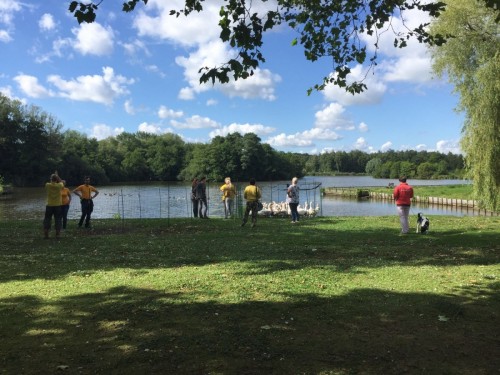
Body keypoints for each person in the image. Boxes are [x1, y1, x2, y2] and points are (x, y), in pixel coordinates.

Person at [43, 173, 64, 239]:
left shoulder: (47, 185)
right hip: (57, 205)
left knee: (47, 219)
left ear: (51, 179)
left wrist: (53, 177)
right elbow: (62, 182)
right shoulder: (59, 185)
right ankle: (57, 234)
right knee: (58, 219)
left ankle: (46, 233)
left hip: (49, 205)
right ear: (56, 179)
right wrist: (58, 177)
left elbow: (50, 183)